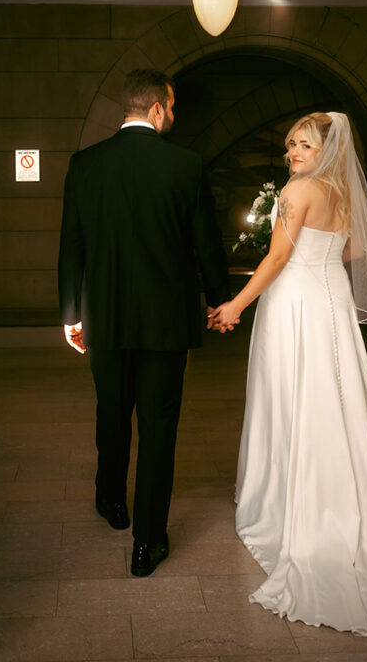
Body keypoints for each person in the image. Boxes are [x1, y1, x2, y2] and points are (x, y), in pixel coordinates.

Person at [209, 111, 367, 636]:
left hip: (295, 305)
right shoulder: (342, 192)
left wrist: (235, 305)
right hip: (332, 305)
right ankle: (339, 496)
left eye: (302, 146)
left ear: (325, 148)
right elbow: (358, 250)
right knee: (330, 399)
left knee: (292, 398)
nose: (292, 154)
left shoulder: (297, 192)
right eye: (289, 146)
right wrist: (318, 258)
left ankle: (286, 499)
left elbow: (278, 258)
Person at [59, 68, 231, 577]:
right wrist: (222, 300)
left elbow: (72, 245)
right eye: (171, 107)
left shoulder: (85, 165)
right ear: (156, 109)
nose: (172, 116)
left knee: (111, 411)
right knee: (159, 428)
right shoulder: (186, 165)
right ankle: (146, 543)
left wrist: (72, 314)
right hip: (165, 323)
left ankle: (111, 500)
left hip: (104, 317)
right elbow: (207, 244)